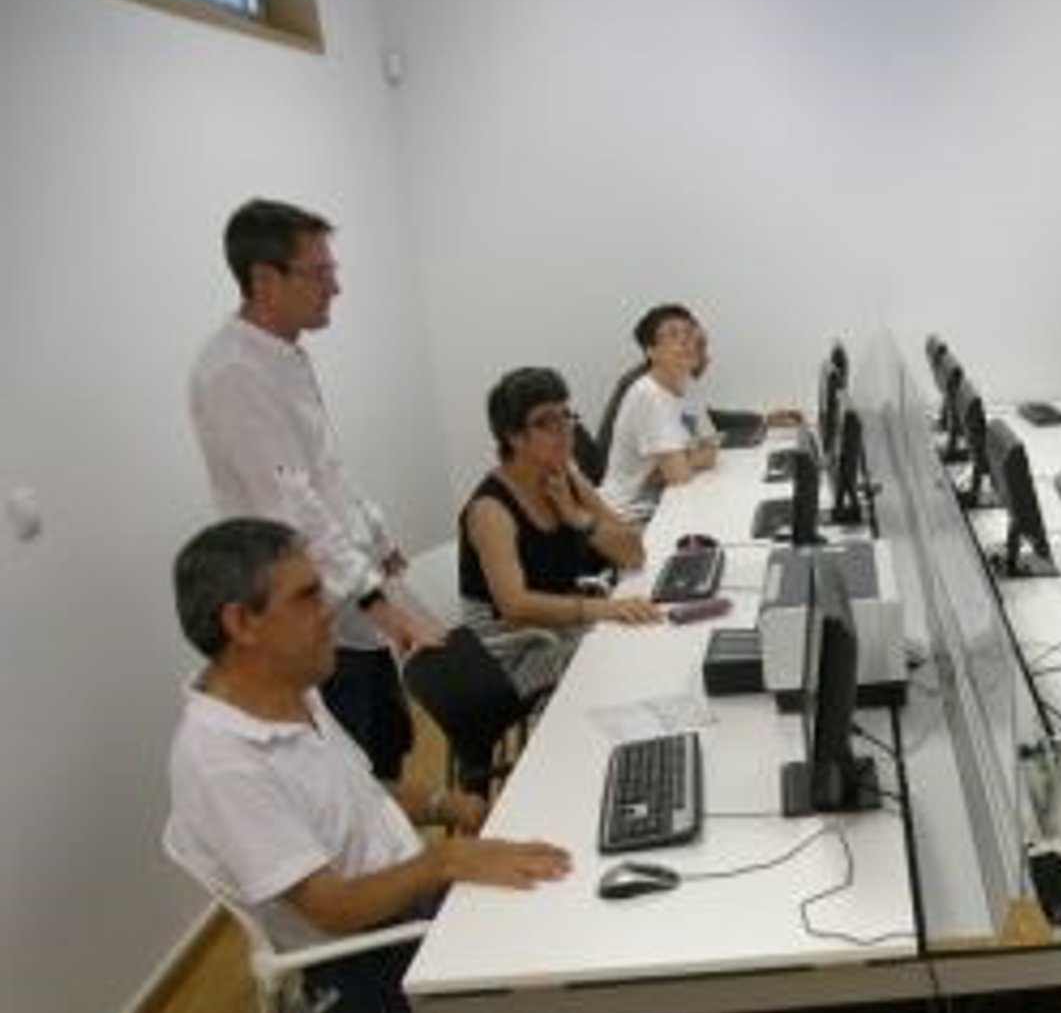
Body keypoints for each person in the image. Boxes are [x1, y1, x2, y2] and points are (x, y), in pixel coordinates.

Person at [164, 518, 571, 1013]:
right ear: (241, 622)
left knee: (572, 891)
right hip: (365, 969)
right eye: (307, 596)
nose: (329, 608)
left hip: (413, 906)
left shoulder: (291, 690)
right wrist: (446, 861)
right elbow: (333, 908)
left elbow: (359, 795)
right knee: (574, 960)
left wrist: (450, 806)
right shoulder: (221, 762)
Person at [188, 198, 443, 783]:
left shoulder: (283, 355)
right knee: (352, 770)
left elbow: (326, 470)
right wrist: (378, 602)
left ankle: (401, 838)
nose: (336, 287)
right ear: (265, 280)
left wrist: (378, 540)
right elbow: (292, 507)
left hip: (346, 591)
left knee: (386, 749)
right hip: (308, 609)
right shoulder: (234, 372)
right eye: (320, 272)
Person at [460, 368, 658, 697]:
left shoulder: (564, 475)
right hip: (518, 656)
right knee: (628, 655)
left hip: (563, 628)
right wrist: (600, 610)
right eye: (547, 422)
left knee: (648, 635)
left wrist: (578, 518)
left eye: (566, 415)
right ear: (514, 437)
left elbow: (633, 552)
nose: (565, 429)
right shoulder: (491, 510)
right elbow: (515, 607)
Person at [600, 302, 720, 521]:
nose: (685, 341)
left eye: (689, 333)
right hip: (628, 515)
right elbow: (679, 475)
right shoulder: (647, 393)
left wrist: (678, 462)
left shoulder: (686, 385)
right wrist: (681, 462)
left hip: (666, 501)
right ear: (651, 351)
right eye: (673, 335)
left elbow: (711, 450)